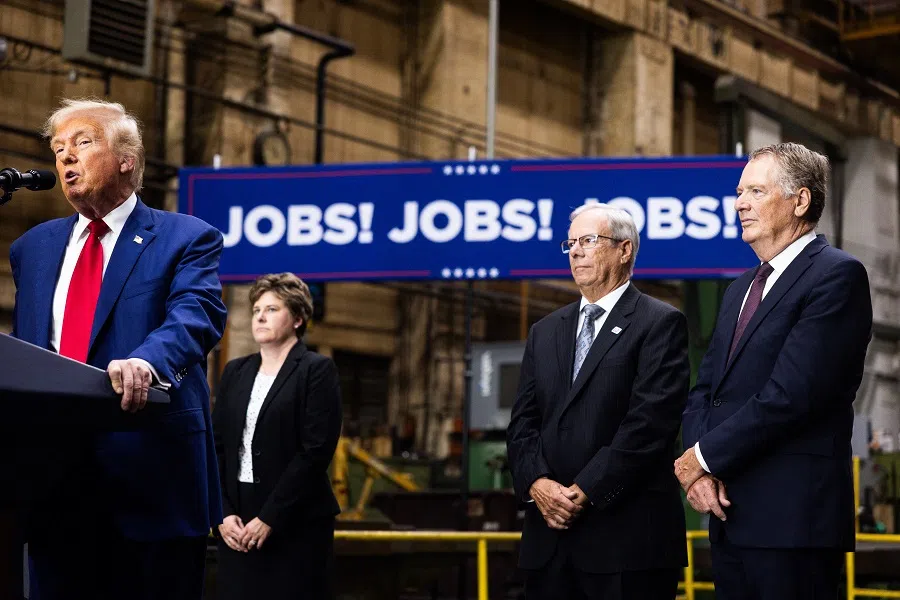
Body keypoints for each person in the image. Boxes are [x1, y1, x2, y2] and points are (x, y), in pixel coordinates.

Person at [9, 98, 227, 600]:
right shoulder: (33, 248)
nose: (65, 158)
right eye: (58, 149)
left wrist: (149, 361)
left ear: (127, 158)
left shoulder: (185, 237)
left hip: (151, 478)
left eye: (83, 142)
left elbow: (197, 315)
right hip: (54, 483)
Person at [676, 143, 873, 600]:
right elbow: (706, 389)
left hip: (794, 522)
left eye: (755, 191)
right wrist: (701, 472)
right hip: (730, 514)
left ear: (800, 201)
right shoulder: (740, 288)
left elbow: (792, 395)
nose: (739, 203)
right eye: (739, 192)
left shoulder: (836, 276)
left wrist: (701, 458)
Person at [507, 204, 690, 600]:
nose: (575, 251)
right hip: (550, 542)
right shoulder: (545, 331)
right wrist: (537, 483)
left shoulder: (659, 323)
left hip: (627, 543)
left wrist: (582, 491)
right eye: (570, 243)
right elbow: (522, 423)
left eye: (588, 241)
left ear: (624, 250)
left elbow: (648, 426)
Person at [212, 273, 342, 600]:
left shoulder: (316, 370)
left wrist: (270, 517)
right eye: (256, 309)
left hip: (294, 521)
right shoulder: (235, 371)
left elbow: (315, 451)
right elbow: (216, 447)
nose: (260, 316)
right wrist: (222, 514)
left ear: (298, 318)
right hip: (236, 521)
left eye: (272, 309)